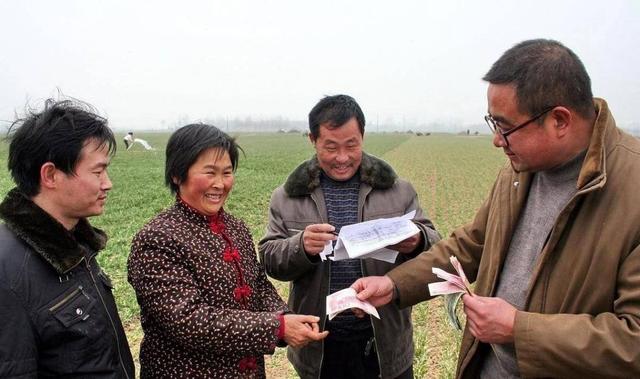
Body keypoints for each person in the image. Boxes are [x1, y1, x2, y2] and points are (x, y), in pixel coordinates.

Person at [352, 39, 640, 378]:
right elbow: (472, 245)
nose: (496, 140)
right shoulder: (518, 171)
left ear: (559, 121)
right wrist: (396, 284)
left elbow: (632, 340)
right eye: (493, 123)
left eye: (505, 127)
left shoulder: (631, 190)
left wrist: (519, 329)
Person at [259, 94, 441, 379]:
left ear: (363, 137)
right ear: (313, 140)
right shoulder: (287, 197)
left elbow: (436, 247)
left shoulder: (398, 190)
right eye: (330, 147)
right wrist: (301, 247)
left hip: (384, 341)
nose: (342, 158)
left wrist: (417, 240)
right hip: (320, 345)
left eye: (351, 145)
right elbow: (270, 259)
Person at [127, 123, 328, 378]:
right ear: (177, 175)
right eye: (209, 173)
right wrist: (276, 327)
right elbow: (190, 321)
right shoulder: (157, 239)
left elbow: (258, 285)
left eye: (227, 172)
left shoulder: (235, 228)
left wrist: (286, 316)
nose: (220, 184)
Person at [0, 99, 135, 378]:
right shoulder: (9, 273)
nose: (107, 183)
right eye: (97, 171)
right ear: (50, 175)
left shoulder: (75, 242)